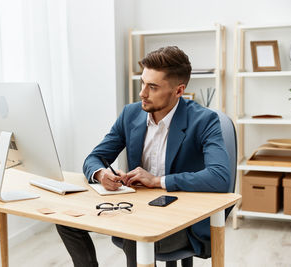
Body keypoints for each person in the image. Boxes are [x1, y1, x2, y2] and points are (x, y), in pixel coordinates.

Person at [56, 46, 230, 267]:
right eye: (142, 83)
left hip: (183, 220)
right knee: (66, 220)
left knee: (134, 235)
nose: (142, 93)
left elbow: (220, 177)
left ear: (179, 91)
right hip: (137, 208)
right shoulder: (131, 114)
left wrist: (157, 181)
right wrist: (101, 175)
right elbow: (95, 157)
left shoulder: (204, 120)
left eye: (153, 87)